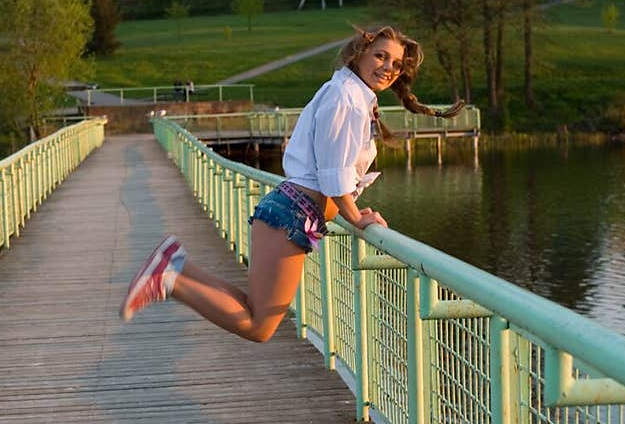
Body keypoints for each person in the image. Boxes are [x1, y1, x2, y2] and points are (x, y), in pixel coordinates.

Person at [120, 24, 464, 342]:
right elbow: (333, 174)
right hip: (293, 216)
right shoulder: (346, 97)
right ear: (358, 53)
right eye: (381, 55)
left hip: (291, 211)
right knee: (259, 326)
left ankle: (177, 265)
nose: (389, 67)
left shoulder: (350, 94)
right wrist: (356, 218)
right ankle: (169, 281)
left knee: (254, 308)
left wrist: (352, 211)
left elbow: (333, 176)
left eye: (397, 64)